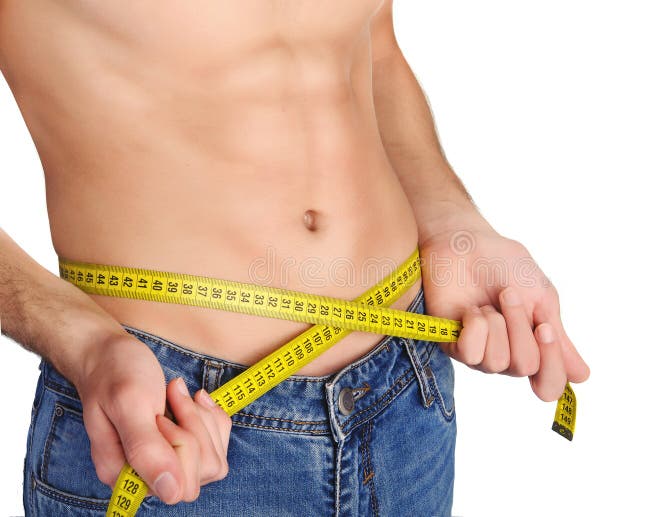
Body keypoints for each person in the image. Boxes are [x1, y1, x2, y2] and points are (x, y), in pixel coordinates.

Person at [0, 1, 590, 515]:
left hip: (405, 391)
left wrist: (452, 222)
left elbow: (372, 49)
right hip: (171, 422)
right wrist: (83, 341)